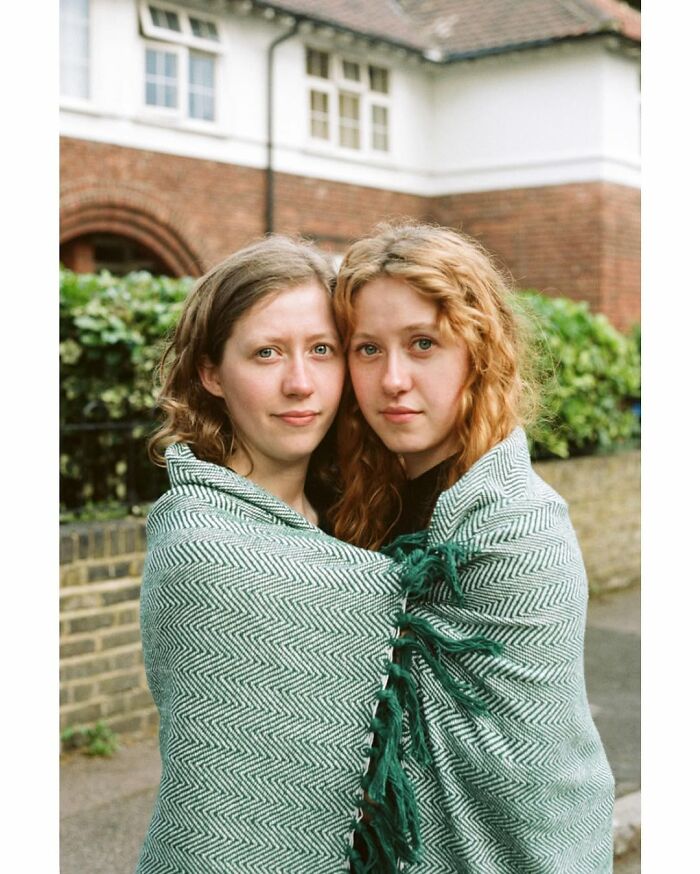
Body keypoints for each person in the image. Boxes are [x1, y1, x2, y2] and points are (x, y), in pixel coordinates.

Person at [330, 222, 616, 873]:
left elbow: (527, 770)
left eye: (422, 344)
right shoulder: (348, 502)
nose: (393, 378)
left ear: (478, 352)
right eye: (367, 349)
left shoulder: (523, 530)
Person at [136, 236, 423, 873]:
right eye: (266, 353)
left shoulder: (357, 511)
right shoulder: (204, 545)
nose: (300, 383)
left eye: (321, 351)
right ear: (211, 372)